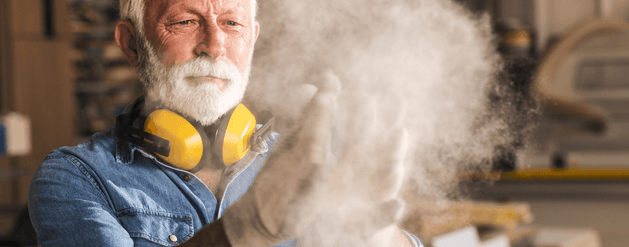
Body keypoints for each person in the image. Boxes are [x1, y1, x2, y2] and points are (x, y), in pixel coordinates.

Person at [28, 0, 423, 246]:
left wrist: (378, 238)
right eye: (185, 21)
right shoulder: (75, 177)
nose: (214, 45)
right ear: (132, 44)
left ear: (252, 38)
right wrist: (248, 229)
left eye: (232, 23)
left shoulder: (307, 161)